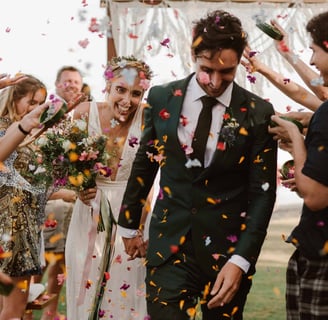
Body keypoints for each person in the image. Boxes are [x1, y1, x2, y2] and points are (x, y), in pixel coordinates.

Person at [118, 10, 277, 320]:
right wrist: (128, 224)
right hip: (168, 247)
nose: (215, 82)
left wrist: (241, 260)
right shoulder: (162, 97)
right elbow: (145, 164)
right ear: (193, 55)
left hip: (228, 255)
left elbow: (263, 193)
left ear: (239, 61)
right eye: (206, 70)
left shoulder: (258, 112)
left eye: (227, 72)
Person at [65, 55, 153, 319]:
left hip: (133, 213)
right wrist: (79, 186)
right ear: (108, 85)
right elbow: (69, 165)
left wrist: (137, 226)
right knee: (85, 287)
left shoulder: (148, 118)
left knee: (126, 293)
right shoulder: (83, 113)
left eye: (136, 93)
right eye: (121, 90)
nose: (127, 101)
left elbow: (150, 179)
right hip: (89, 213)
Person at [268, 11, 328, 319]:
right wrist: (286, 53)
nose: (313, 59)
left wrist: (295, 135)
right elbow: (317, 85)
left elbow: (315, 196)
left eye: (315, 50)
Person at [30, 65, 83, 320]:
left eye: (76, 82)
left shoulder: (83, 117)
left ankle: (50, 312)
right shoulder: (48, 114)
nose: (72, 85)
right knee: (39, 262)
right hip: (49, 200)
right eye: (67, 81)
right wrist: (59, 194)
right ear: (57, 84)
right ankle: (26, 309)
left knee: (62, 260)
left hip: (73, 202)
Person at [0, 75, 48, 319]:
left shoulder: (29, 135)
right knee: (13, 310)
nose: (35, 109)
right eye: (31, 102)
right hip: (13, 226)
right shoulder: (7, 128)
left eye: (40, 103)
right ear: (14, 97)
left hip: (21, 223)